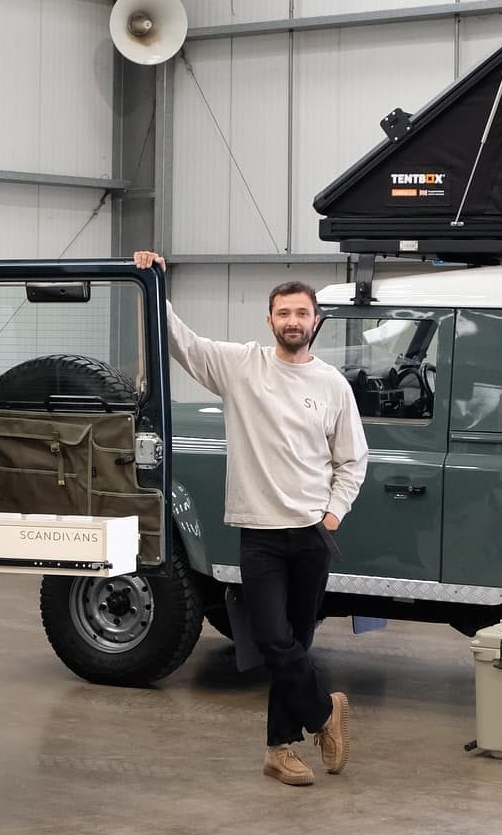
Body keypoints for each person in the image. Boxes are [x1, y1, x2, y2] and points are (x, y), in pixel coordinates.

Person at [133, 250, 369, 787]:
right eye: (283, 313)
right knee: (272, 642)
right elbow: (185, 345)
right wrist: (153, 280)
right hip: (259, 535)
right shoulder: (242, 367)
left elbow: (352, 458)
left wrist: (332, 514)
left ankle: (278, 751)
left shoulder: (332, 384)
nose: (293, 322)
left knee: (297, 646)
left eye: (301, 313)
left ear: (316, 321)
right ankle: (323, 712)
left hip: (311, 534)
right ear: (270, 321)